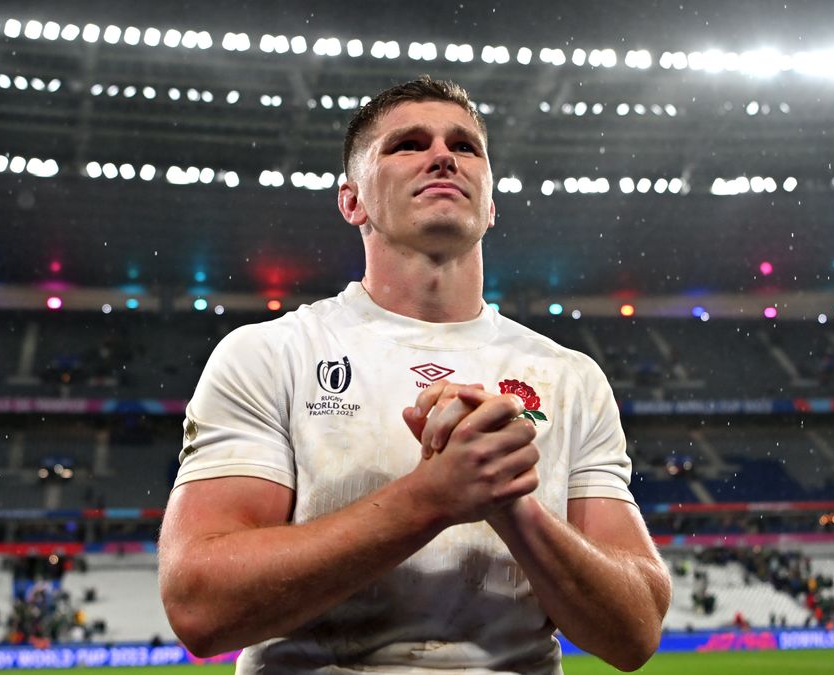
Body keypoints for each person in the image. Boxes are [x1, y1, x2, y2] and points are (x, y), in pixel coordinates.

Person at [158, 76, 671, 674]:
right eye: (407, 144)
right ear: (352, 201)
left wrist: (512, 506)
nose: (442, 156)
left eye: (465, 145)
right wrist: (430, 499)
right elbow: (200, 607)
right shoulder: (270, 354)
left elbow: (634, 633)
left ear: (491, 201)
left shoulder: (570, 376)